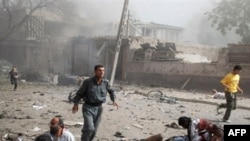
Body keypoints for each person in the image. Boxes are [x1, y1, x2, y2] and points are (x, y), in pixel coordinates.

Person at [72, 64, 118, 141]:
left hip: (99, 108)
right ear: (95, 71)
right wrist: (75, 104)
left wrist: (114, 100)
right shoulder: (88, 82)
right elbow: (80, 93)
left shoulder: (106, 82)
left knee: (94, 130)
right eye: (99, 70)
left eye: (103, 70)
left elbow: (111, 91)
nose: (102, 72)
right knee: (89, 128)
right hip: (88, 107)